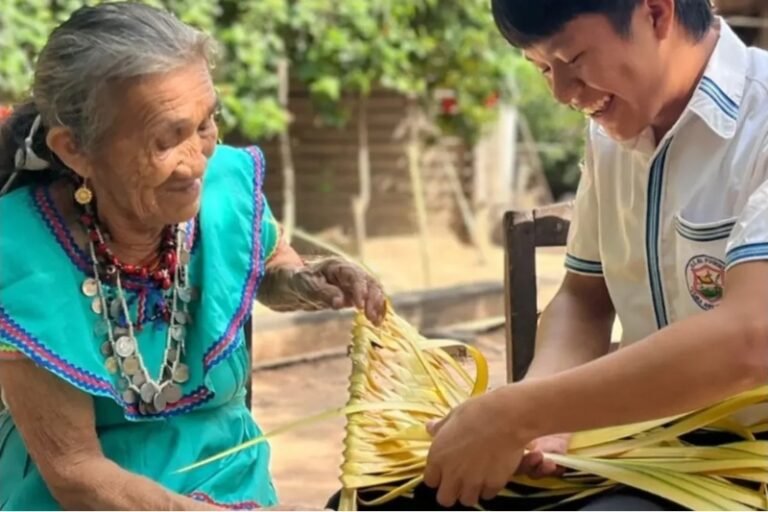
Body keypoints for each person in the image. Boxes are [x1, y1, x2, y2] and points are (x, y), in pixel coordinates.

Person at [328, 0, 768, 510]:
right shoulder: (612, 132)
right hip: (643, 445)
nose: (560, 92)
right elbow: (585, 297)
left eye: (574, 58)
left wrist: (521, 412)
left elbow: (750, 338)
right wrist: (544, 416)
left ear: (655, 12)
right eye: (542, 68)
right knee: (381, 500)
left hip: (747, 468)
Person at [0, 3, 386, 510]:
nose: (197, 159)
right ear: (75, 149)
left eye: (207, 124)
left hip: (233, 482)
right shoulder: (20, 251)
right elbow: (76, 473)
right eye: (167, 138)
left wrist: (304, 280)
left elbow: (265, 263)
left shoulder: (224, 187)